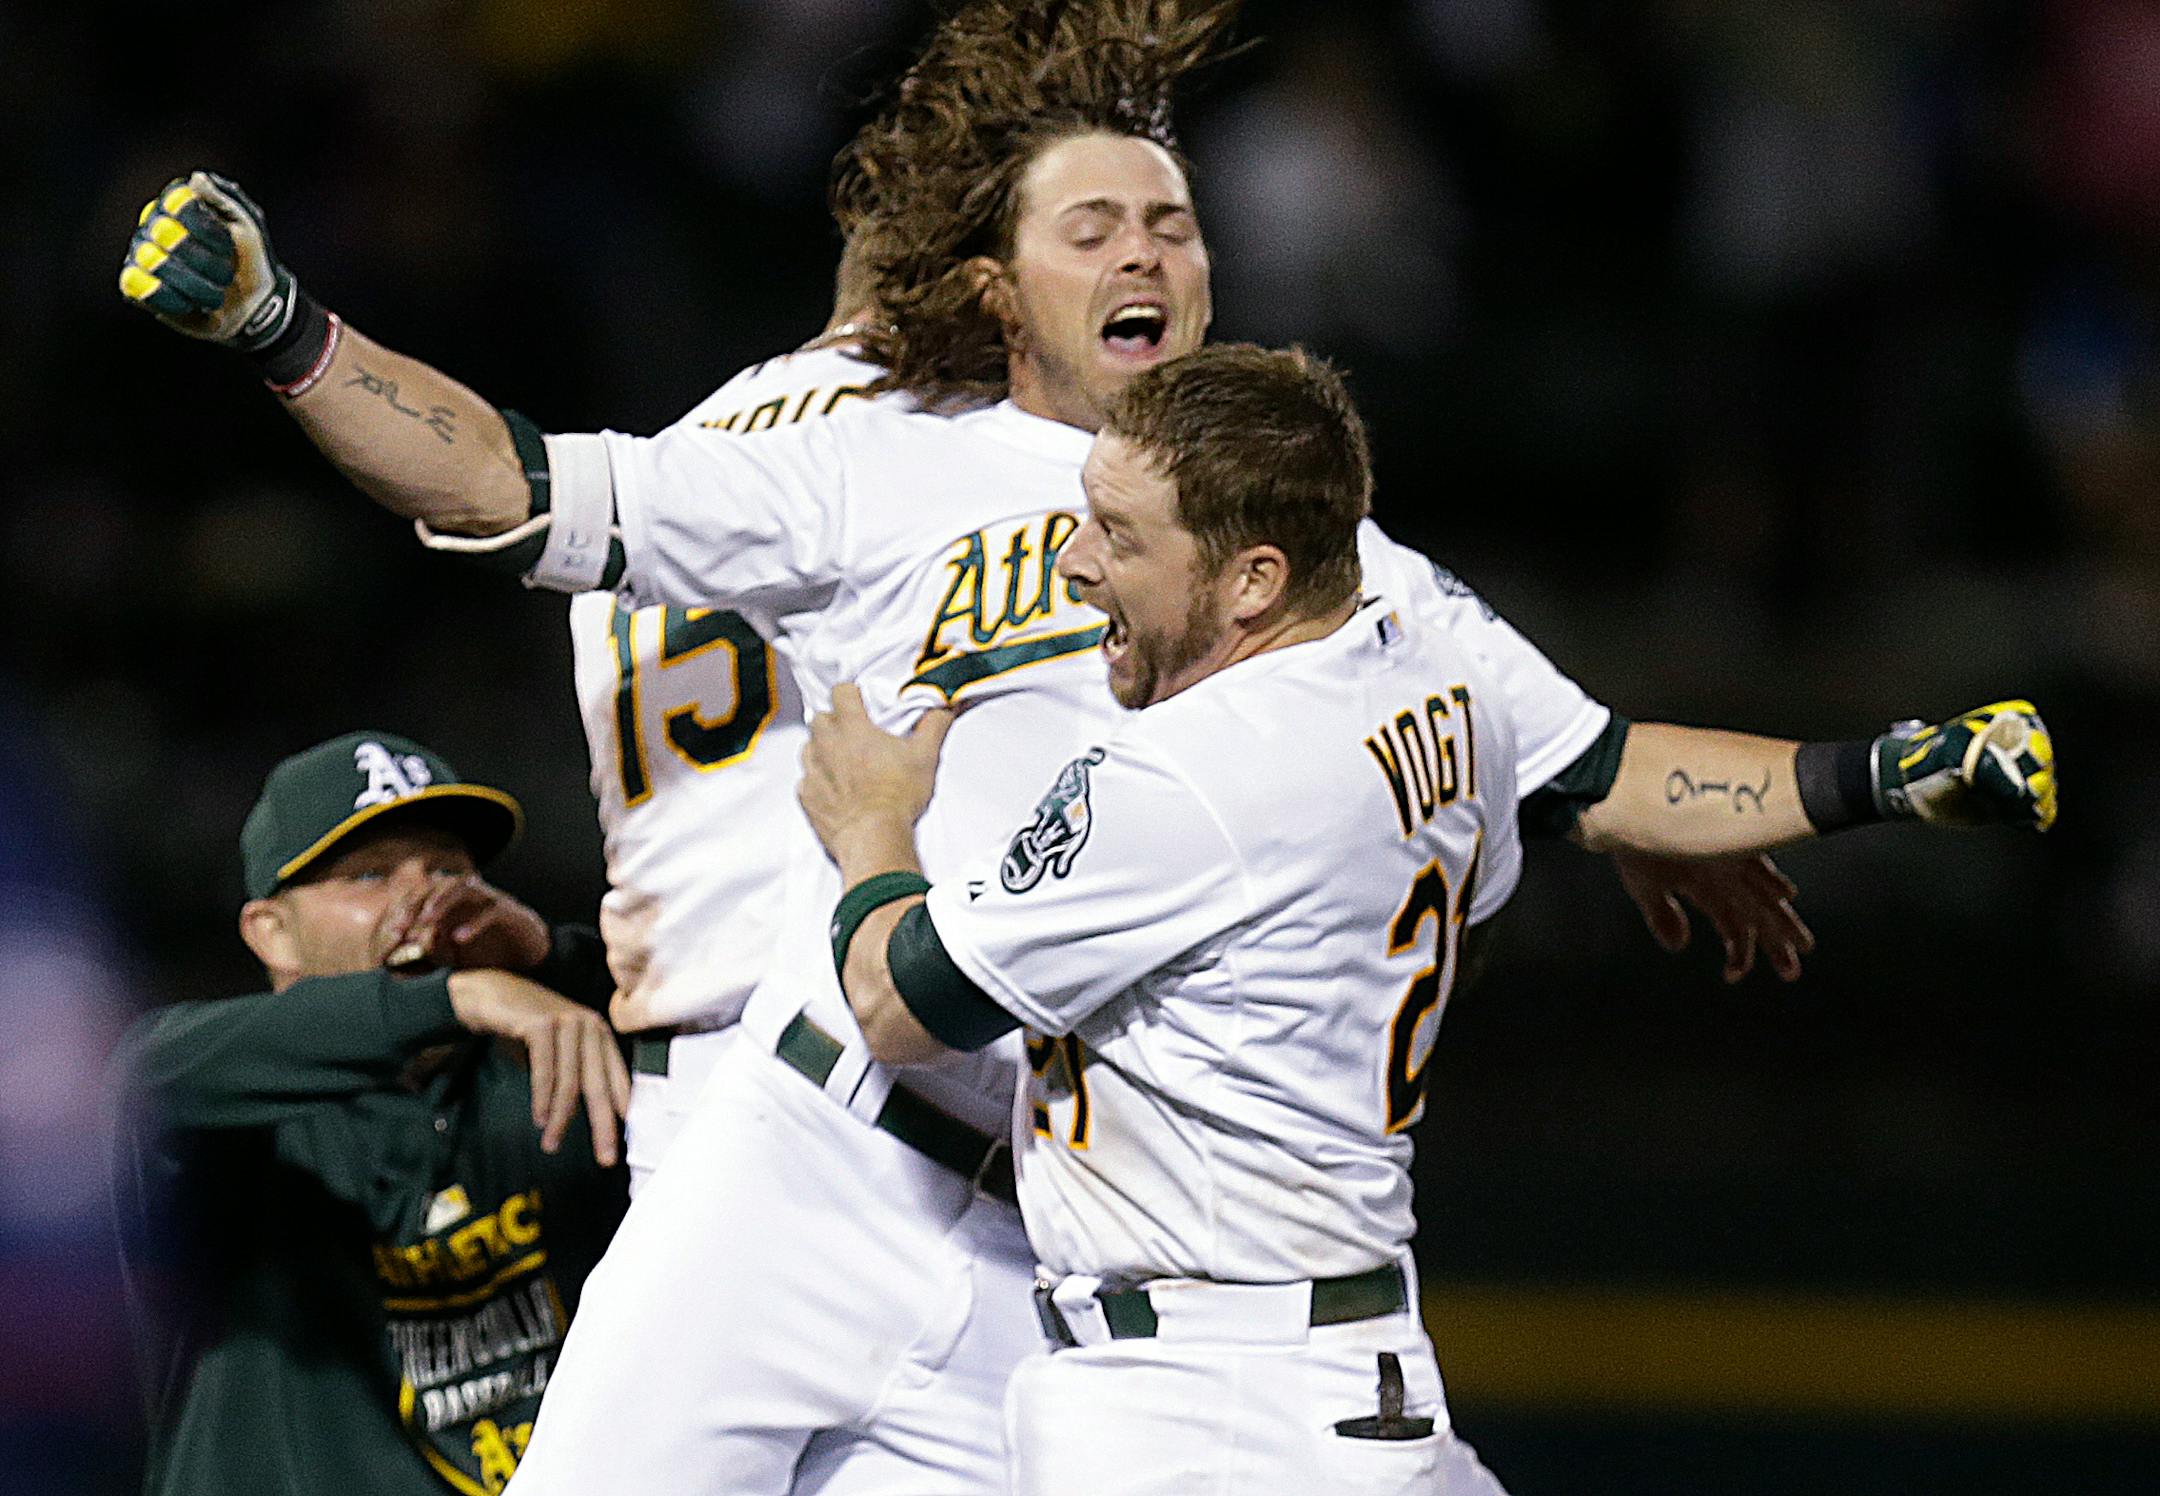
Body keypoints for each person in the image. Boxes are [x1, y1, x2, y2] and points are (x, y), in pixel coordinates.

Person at [113, 4, 2054, 1490]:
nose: (1150, 252)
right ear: (997, 282)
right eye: (1096, 223)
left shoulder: (1325, 552)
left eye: (1176, 222)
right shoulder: (870, 461)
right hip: (801, 1160)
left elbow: (1602, 763)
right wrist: (286, 328)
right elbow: (503, 482)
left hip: (1043, 1260)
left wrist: (1878, 775)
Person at [792, 344, 2055, 1493]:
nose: (1075, 561)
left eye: (1118, 536)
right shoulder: (1446, 682)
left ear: (1253, 579)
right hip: (1358, 1364)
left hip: (1203, 1405)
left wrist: (872, 825)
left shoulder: (1186, 777)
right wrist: (1869, 780)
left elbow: (900, 1001)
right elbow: (1593, 787)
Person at [108, 731, 632, 1496]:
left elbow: (720, 1045)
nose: (420, 898)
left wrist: (552, 958)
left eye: (448, 869)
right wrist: (452, 997)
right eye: (369, 875)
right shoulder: (234, 1120)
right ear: (272, 933)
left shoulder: (547, 1069)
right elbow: (141, 1072)